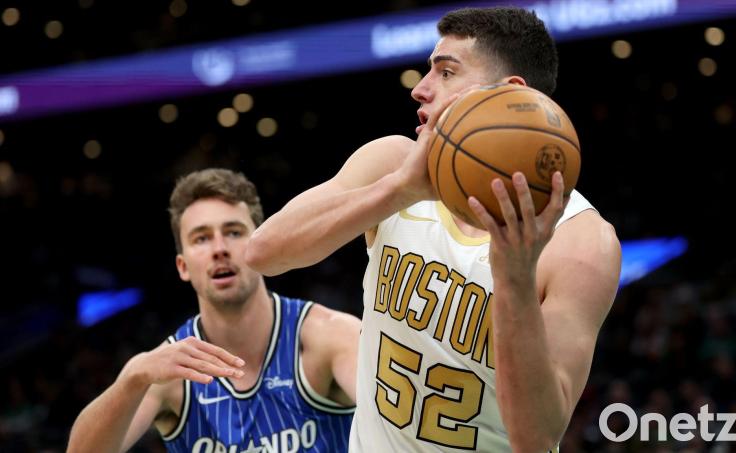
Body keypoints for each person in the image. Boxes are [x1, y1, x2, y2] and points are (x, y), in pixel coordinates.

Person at [246, 6, 621, 452]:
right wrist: (399, 190)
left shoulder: (581, 241)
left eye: (446, 73)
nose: (420, 90)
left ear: (507, 93)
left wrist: (515, 278)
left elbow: (536, 439)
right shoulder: (391, 165)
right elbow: (263, 253)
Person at [67, 168, 359, 453]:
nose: (219, 248)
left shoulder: (330, 336)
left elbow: (400, 419)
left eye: (233, 232)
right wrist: (133, 378)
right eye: (201, 238)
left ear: (262, 246)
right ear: (182, 267)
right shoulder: (165, 373)